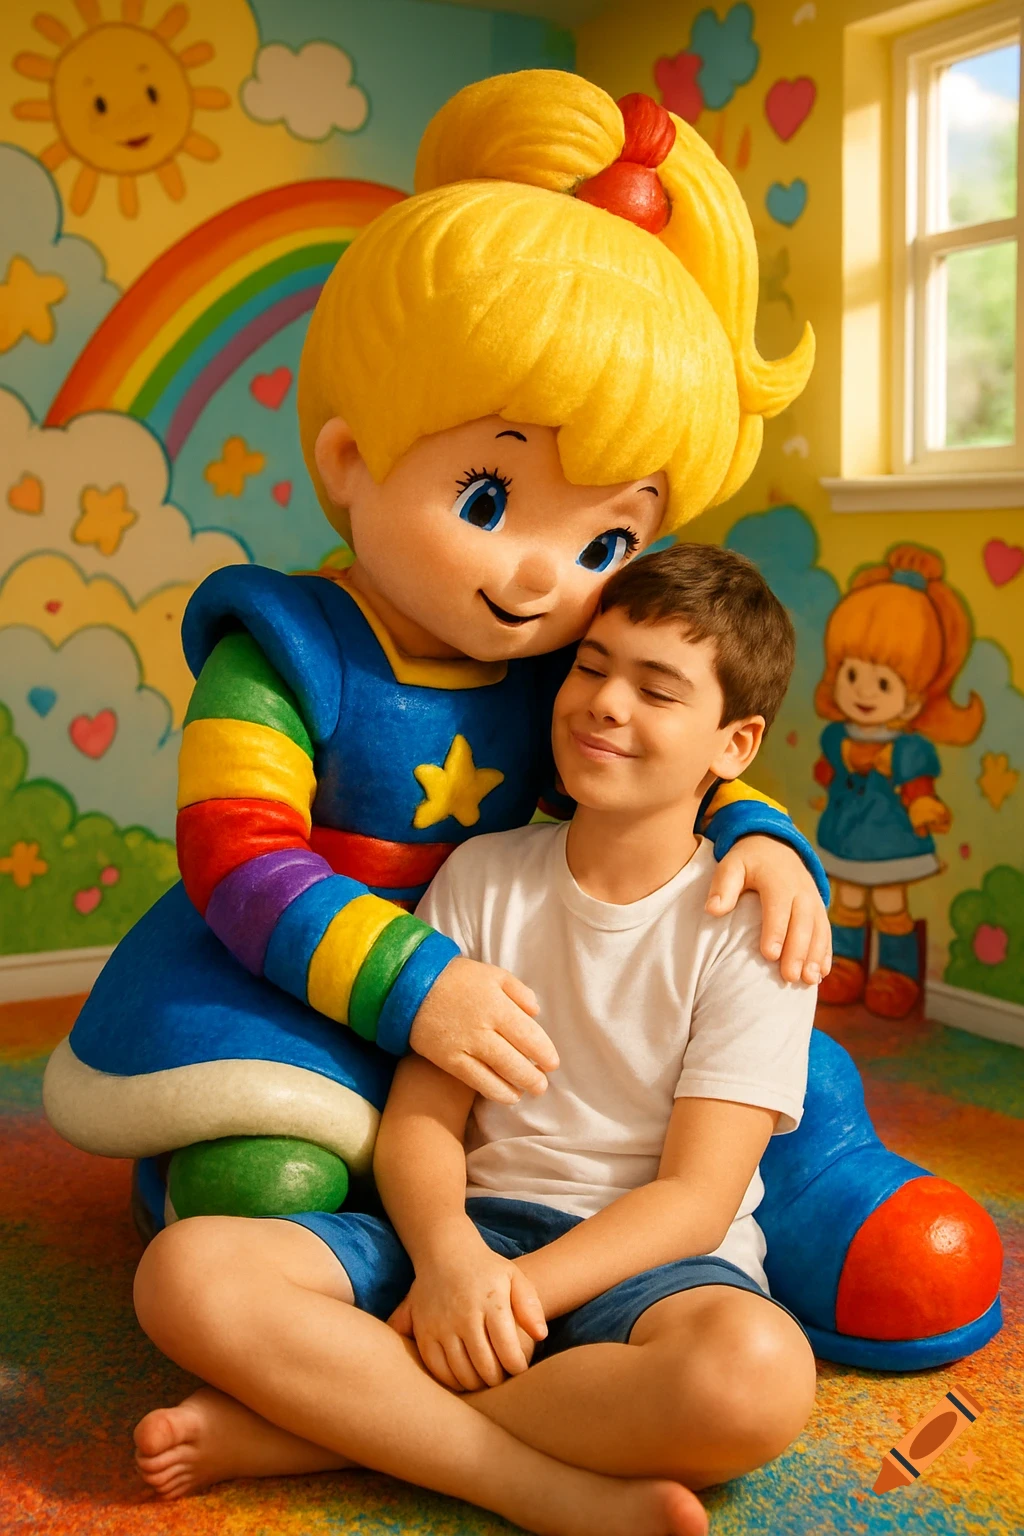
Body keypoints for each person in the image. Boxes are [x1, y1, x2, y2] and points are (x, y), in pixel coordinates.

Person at [44, 73, 831, 1232]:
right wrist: (418, 984)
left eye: (605, 542)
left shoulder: (566, 666)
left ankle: (832, 1197)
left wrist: (756, 834)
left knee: (751, 1071)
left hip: (511, 965)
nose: (542, 577)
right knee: (281, 1170)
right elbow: (237, 855)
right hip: (295, 969)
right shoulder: (285, 649)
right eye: (487, 499)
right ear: (351, 459)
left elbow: (657, 763)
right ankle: (253, 1219)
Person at [131, 543, 818, 1536]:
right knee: (185, 1273)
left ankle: (322, 1431)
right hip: (469, 1227)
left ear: (735, 744)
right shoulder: (483, 874)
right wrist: (453, 1261)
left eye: (657, 689)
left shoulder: (761, 924)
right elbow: (422, 1122)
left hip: (652, 1271)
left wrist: (508, 1297)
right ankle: (531, 1486)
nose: (605, 703)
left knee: (757, 1381)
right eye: (590, 667)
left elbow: (696, 1199)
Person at [813, 545, 984, 1019]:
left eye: (884, 683)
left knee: (890, 904)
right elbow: (829, 769)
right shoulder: (837, 737)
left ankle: (896, 973)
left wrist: (924, 804)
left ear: (913, 700)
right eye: (852, 673)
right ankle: (844, 964)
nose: (864, 691)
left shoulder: (910, 749)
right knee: (846, 901)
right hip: (845, 836)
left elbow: (918, 787)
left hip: (891, 841)